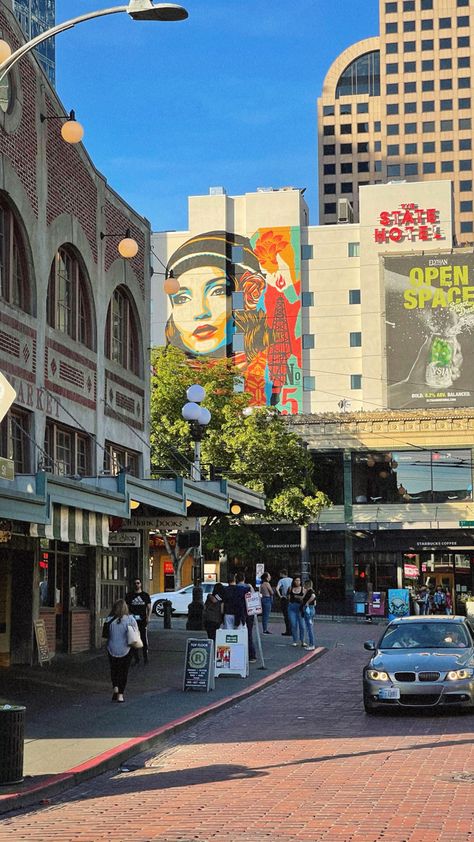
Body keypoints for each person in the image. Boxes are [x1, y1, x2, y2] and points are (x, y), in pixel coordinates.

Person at [164, 230, 301, 407]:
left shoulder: (272, 364)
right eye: (182, 298)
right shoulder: (163, 375)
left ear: (251, 291)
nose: (200, 311)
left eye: (218, 291)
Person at [106, 599, 138, 703]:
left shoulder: (110, 619)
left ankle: (115, 687)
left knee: (114, 670)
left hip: (112, 648)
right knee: (124, 672)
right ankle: (120, 695)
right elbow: (135, 634)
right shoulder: (130, 619)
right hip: (126, 649)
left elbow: (105, 635)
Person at [125, 578, 151, 664]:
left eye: (138, 583)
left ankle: (145, 658)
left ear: (141, 584)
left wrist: (148, 617)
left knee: (143, 638)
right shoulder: (129, 595)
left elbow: (149, 607)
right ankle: (136, 659)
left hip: (142, 620)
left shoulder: (145, 595)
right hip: (132, 621)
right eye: (135, 583)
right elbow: (126, 607)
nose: (136, 585)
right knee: (133, 639)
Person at [235, 571, 256, 663]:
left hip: (237, 612)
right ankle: (251, 655)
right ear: (244, 579)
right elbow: (253, 598)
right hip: (248, 612)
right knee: (249, 633)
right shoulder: (248, 587)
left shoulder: (235, 588)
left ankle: (238, 654)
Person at [287, 575, 305, 647]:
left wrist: (298, 597)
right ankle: (295, 640)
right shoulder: (290, 588)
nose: (298, 582)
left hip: (300, 608)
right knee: (293, 624)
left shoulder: (303, 589)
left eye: (299, 580)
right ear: (293, 581)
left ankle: (302, 640)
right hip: (292, 607)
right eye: (296, 580)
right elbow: (288, 597)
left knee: (302, 625)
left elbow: (305, 598)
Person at [301, 578, 317, 650]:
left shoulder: (310, 591)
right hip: (311, 608)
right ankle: (311, 643)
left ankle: (311, 644)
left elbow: (313, 596)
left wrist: (307, 602)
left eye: (304, 584)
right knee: (309, 626)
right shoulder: (310, 591)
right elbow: (315, 602)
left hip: (308, 608)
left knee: (309, 627)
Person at [276, 569, 293, 636]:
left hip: (285, 598)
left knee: (286, 615)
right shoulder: (291, 580)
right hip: (291, 598)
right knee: (291, 615)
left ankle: (288, 630)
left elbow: (277, 589)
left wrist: (280, 596)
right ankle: (292, 630)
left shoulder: (281, 580)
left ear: (282, 574)